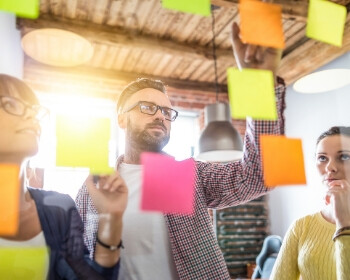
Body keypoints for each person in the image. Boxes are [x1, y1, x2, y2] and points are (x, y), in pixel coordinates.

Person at [76, 21, 286, 280]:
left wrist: (259, 88)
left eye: (166, 111)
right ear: (121, 119)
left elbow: (259, 175)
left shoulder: (183, 175)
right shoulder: (94, 188)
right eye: (146, 107)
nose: (160, 117)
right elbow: (80, 260)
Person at [0, 74, 128, 279]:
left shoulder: (59, 208)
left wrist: (111, 217)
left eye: (34, 110)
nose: (31, 116)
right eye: (10, 104)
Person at [270, 126, 350, 280]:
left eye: (344, 157)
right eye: (322, 158)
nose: (330, 167)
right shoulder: (301, 227)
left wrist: (344, 225)